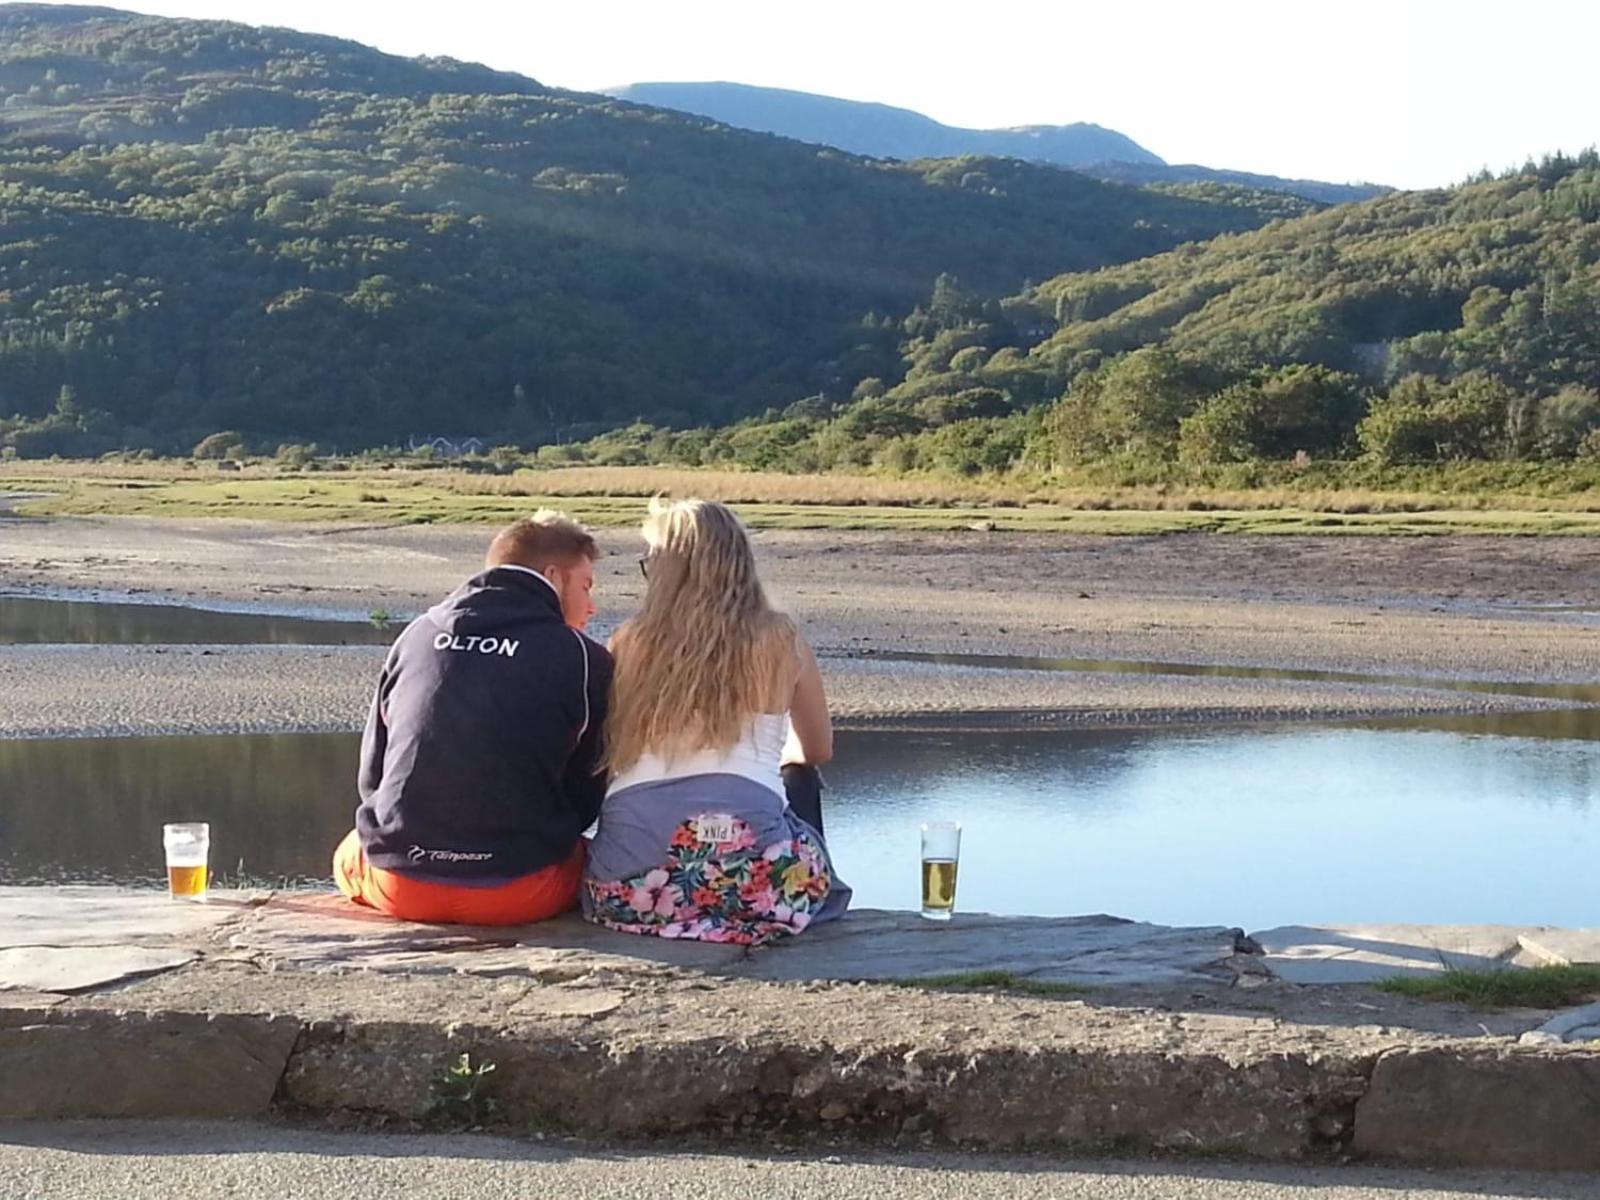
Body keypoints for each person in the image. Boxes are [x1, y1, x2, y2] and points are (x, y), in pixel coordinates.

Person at [583, 497, 849, 945]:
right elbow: (818, 749)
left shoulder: (627, 641)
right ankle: (788, 903)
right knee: (799, 777)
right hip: (754, 890)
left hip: (628, 891)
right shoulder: (781, 638)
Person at [333, 510, 611, 926]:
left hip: (400, 886)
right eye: (585, 586)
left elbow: (372, 775)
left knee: (348, 851)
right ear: (553, 577)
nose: (591, 605)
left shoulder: (418, 634)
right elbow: (586, 795)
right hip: (518, 894)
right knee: (599, 859)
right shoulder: (584, 658)